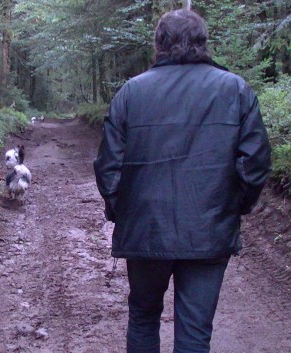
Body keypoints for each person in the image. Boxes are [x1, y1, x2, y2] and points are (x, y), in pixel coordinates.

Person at [93, 9, 271, 353]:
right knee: (195, 332)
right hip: (209, 229)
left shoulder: (131, 92)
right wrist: (232, 209)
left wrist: (123, 211)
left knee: (143, 317)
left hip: (145, 227)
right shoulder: (235, 89)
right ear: (203, 43)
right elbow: (255, 163)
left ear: (159, 44)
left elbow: (108, 166)